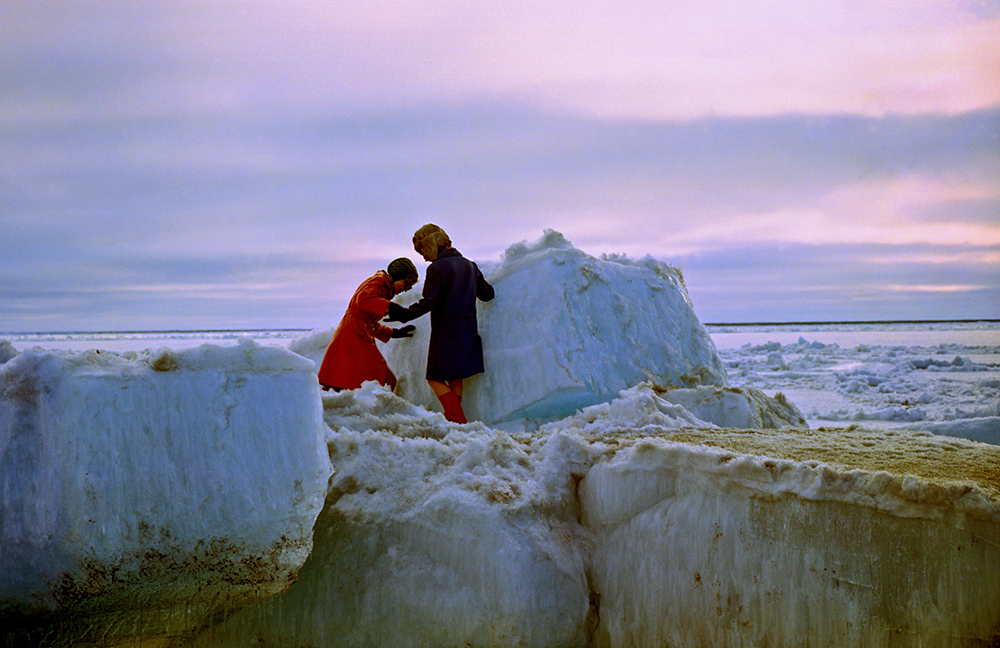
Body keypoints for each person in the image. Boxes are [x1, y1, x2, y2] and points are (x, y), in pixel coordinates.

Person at [384, 224, 495, 423]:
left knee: (434, 377)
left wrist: (402, 313)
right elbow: (488, 294)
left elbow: (429, 302)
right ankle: (454, 419)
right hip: (468, 330)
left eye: (422, 251)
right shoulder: (470, 265)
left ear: (431, 244)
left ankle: (458, 420)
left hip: (446, 332)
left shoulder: (436, 268)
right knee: (455, 376)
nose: (424, 257)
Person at [317, 257, 419, 392]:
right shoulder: (377, 282)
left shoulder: (383, 287)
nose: (407, 289)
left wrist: (393, 333)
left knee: (345, 382)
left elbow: (369, 320)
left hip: (356, 334)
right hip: (354, 337)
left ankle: (341, 409)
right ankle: (378, 411)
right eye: (407, 283)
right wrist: (391, 308)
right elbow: (363, 299)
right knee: (385, 380)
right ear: (398, 276)